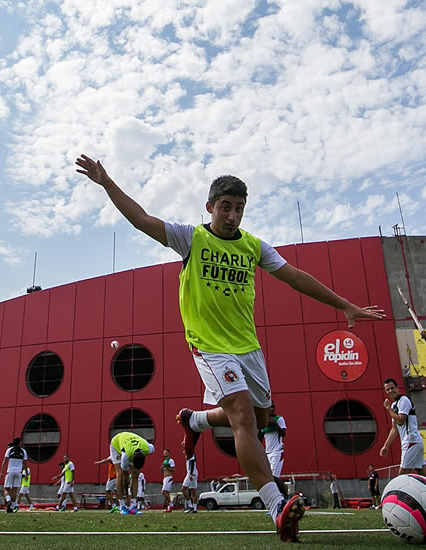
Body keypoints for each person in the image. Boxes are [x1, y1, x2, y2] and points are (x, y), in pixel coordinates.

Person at [76, 156, 385, 542]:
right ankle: (277, 506)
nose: (233, 215)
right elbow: (141, 219)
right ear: (210, 206)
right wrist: (107, 182)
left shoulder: (254, 247)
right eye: (225, 207)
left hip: (248, 347)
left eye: (239, 208)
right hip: (210, 345)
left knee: (262, 419)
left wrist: (344, 304)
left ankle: (196, 420)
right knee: (242, 417)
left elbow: (295, 277)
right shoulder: (191, 238)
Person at [379, 378, 426, 477]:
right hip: (412, 442)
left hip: (411, 441)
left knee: (402, 473)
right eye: (387, 389)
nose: (390, 391)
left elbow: (400, 421)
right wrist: (386, 446)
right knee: (421, 473)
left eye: (392, 388)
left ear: (397, 388)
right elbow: (394, 429)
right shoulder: (394, 404)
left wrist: (388, 409)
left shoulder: (403, 400)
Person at [109, 431, 154, 515]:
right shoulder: (125, 457)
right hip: (116, 442)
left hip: (131, 442)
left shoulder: (149, 448)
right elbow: (126, 478)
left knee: (135, 474)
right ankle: (122, 506)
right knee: (120, 474)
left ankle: (133, 506)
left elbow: (135, 474)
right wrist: (127, 495)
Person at [260, 403, 288, 497]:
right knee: (268, 479)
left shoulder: (279, 419)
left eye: (273, 407)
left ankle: (285, 496)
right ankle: (278, 498)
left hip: (277, 452)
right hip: (267, 453)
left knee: (273, 477)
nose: (272, 409)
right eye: (270, 407)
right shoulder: (263, 421)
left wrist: (275, 425)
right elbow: (259, 438)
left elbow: (284, 434)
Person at [0, 438, 28, 513]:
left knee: (6, 489)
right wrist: (26, 473)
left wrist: (2, 472)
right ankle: (11, 507)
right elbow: (25, 463)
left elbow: (5, 461)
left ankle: (8, 501)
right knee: (14, 490)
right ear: (19, 443)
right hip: (18, 472)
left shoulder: (9, 450)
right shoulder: (23, 451)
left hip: (10, 471)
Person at [160, 448, 176, 512]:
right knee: (167, 493)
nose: (164, 453)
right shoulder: (164, 461)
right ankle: (169, 507)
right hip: (165, 478)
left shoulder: (170, 460)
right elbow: (162, 470)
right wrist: (162, 468)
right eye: (164, 452)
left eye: (166, 452)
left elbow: (173, 469)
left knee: (163, 491)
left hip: (169, 477)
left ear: (169, 453)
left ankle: (171, 504)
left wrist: (166, 467)